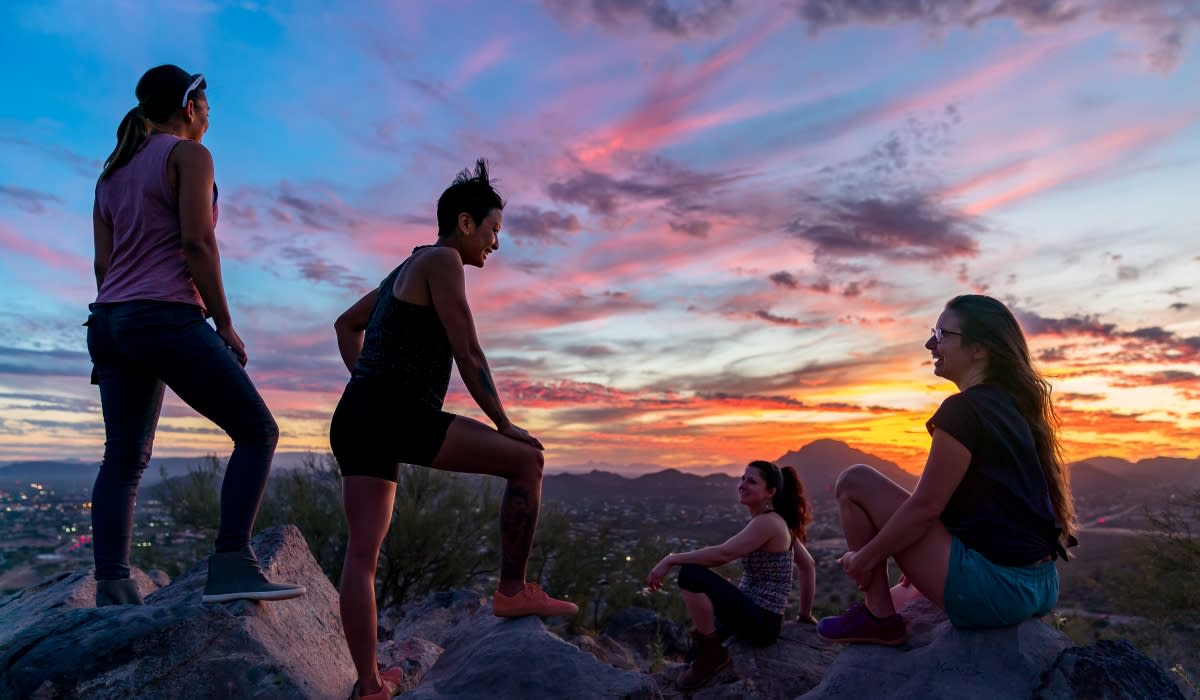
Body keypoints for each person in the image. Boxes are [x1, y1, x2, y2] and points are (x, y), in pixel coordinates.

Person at [330, 159, 577, 700]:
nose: (495, 244)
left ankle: (370, 686)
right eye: (492, 231)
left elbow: (346, 324)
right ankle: (512, 591)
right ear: (465, 223)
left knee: (362, 558)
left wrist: (368, 383)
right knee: (526, 460)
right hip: (393, 415)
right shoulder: (443, 260)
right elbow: (467, 348)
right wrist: (504, 423)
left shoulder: (406, 267)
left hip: (358, 417)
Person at [87, 65, 305, 606]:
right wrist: (224, 322)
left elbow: (102, 263)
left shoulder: (110, 175)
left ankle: (111, 586)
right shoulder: (189, 156)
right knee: (257, 431)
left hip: (110, 320)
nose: (209, 117)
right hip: (162, 314)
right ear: (189, 108)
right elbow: (198, 244)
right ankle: (233, 564)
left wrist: (120, 324)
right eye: (206, 107)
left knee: (123, 458)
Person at [817, 294, 1077, 646]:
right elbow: (991, 503)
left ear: (979, 349)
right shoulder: (1012, 409)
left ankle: (878, 617)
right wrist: (923, 556)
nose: (929, 343)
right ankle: (885, 606)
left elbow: (925, 507)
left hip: (997, 591)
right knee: (905, 596)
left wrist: (865, 558)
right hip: (1041, 586)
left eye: (940, 334)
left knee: (854, 481)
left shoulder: (963, 410)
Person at [647, 460, 815, 690]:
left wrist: (671, 559)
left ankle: (714, 654)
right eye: (743, 479)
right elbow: (808, 565)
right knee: (692, 655)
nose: (742, 485)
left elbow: (723, 554)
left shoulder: (768, 523)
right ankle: (709, 651)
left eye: (752, 481)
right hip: (759, 616)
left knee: (691, 574)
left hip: (761, 621)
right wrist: (804, 615)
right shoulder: (777, 523)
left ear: (770, 492)